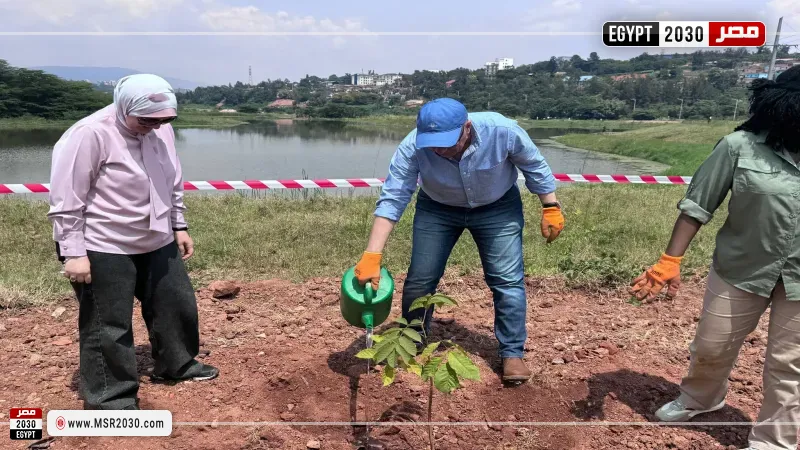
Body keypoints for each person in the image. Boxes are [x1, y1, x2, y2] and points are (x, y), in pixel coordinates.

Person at [630, 65, 800, 450]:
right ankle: (701, 399)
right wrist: (669, 260)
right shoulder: (739, 147)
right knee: (712, 345)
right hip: (740, 269)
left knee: (789, 365)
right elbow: (696, 207)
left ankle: (773, 440)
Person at [353, 98, 564, 383]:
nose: (439, 150)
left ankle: (512, 353)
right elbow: (394, 196)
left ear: (467, 127)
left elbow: (534, 165)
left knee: (506, 280)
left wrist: (550, 206)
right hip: (437, 208)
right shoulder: (413, 145)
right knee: (420, 279)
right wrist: (372, 254)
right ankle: (412, 340)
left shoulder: (503, 131)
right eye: (433, 143)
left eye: (447, 142)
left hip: (497, 207)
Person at [47, 74, 218, 411]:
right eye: (146, 120)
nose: (154, 127)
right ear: (124, 105)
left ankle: (177, 364)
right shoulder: (89, 134)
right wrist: (73, 252)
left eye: (164, 120)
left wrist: (178, 225)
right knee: (107, 322)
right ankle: (110, 396)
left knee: (176, 303)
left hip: (156, 236)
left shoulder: (159, 130)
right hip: (104, 242)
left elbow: (171, 180)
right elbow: (66, 197)